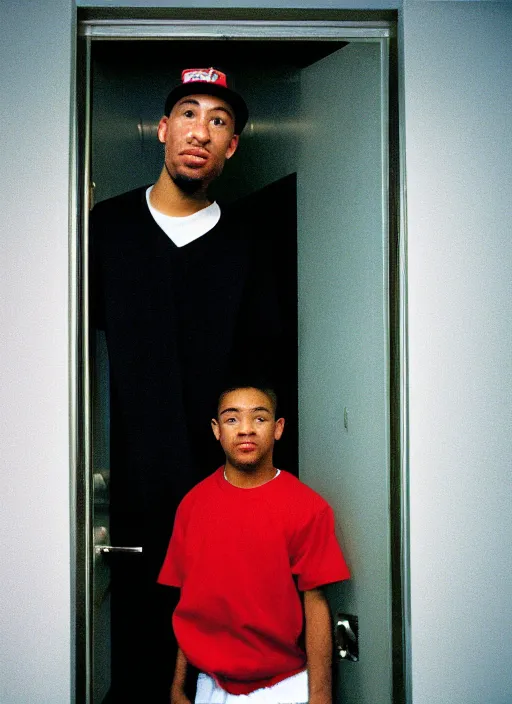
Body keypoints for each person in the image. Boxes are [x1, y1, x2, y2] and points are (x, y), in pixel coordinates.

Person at [90, 68, 294, 702]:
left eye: (218, 121)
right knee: (130, 651)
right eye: (188, 113)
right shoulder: (105, 228)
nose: (199, 131)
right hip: (120, 498)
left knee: (214, 654)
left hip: (219, 489)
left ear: (231, 146)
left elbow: (265, 373)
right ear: (161, 129)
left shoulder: (249, 242)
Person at [158, 384, 351, 704]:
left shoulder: (307, 507)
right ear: (216, 430)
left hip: (283, 686)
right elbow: (186, 601)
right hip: (209, 684)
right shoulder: (193, 505)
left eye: (259, 418)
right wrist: (178, 687)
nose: (246, 429)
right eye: (232, 420)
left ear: (278, 428)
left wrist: (321, 696)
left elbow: (315, 604)